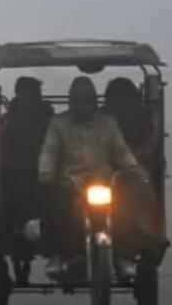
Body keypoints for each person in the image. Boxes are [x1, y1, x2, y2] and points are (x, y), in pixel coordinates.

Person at [38, 76, 155, 276]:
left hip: (105, 182)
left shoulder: (107, 123)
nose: (82, 104)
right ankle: (57, 255)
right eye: (78, 99)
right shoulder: (58, 124)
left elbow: (121, 150)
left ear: (94, 101)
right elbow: (49, 151)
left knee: (124, 206)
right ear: (71, 101)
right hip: (71, 183)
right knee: (56, 202)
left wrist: (133, 169)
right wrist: (47, 174)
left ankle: (123, 257)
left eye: (86, 99)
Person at [0, 77, 54, 230]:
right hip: (19, 176)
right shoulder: (8, 121)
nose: (34, 98)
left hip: (46, 174)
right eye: (31, 93)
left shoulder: (50, 120)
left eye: (36, 94)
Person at [103, 77, 156, 171]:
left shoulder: (141, 120)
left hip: (133, 170)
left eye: (123, 100)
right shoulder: (101, 118)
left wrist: (127, 156)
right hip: (100, 171)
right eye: (114, 99)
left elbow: (148, 149)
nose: (118, 105)